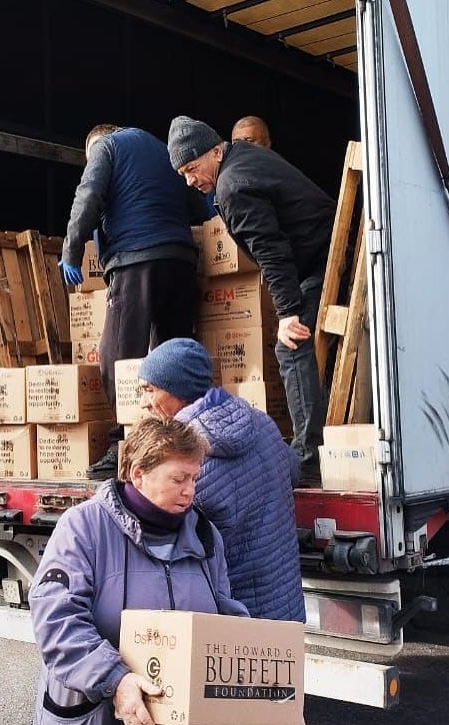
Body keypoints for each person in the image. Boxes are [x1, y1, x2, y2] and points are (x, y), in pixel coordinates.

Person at [29, 417, 247, 725]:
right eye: (178, 479)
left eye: (194, 479)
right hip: (92, 714)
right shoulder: (83, 527)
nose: (190, 492)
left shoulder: (205, 534)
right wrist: (115, 679)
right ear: (138, 474)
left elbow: (224, 613)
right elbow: (56, 619)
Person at [167, 115, 336, 484]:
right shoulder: (242, 158)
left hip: (324, 260)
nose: (190, 180)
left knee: (291, 348)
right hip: (325, 251)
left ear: (215, 151)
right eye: (183, 174)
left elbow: (273, 252)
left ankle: (308, 460)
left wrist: (288, 313)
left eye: (192, 168)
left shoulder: (232, 187)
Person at [59, 124, 202, 480]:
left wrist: (72, 252)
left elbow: (88, 196)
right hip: (182, 261)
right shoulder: (162, 150)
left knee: (118, 357)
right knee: (172, 358)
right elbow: (198, 205)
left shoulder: (106, 147)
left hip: (138, 260)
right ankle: (180, 440)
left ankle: (123, 442)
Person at [137, 337, 305, 622]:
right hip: (283, 605)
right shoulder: (261, 422)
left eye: (150, 390)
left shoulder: (182, 460)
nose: (144, 403)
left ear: (179, 391)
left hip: (235, 620)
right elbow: (293, 471)